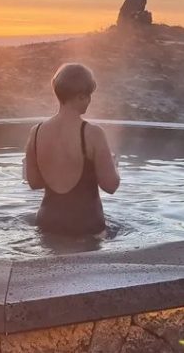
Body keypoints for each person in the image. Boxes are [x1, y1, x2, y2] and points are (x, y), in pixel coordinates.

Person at [23, 63, 120, 236]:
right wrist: (113, 165)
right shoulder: (93, 133)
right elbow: (110, 186)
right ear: (81, 96)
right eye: (88, 96)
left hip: (48, 223)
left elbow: (34, 183)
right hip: (86, 225)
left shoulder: (36, 131)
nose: (90, 101)